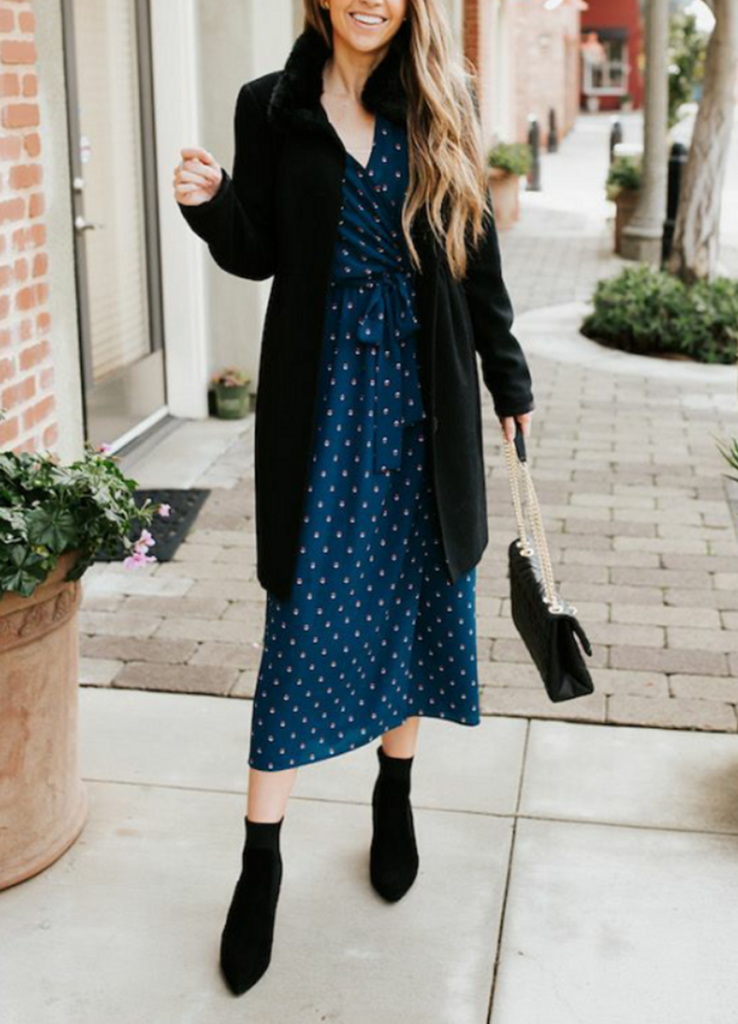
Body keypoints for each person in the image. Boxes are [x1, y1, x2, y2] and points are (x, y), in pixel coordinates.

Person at [173, 0, 534, 997]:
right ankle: (260, 862)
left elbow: (474, 248)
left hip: (423, 401)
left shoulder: (440, 96)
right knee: (302, 627)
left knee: (417, 600)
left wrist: (508, 379)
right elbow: (259, 249)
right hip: (324, 407)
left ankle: (396, 791)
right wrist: (211, 204)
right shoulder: (271, 104)